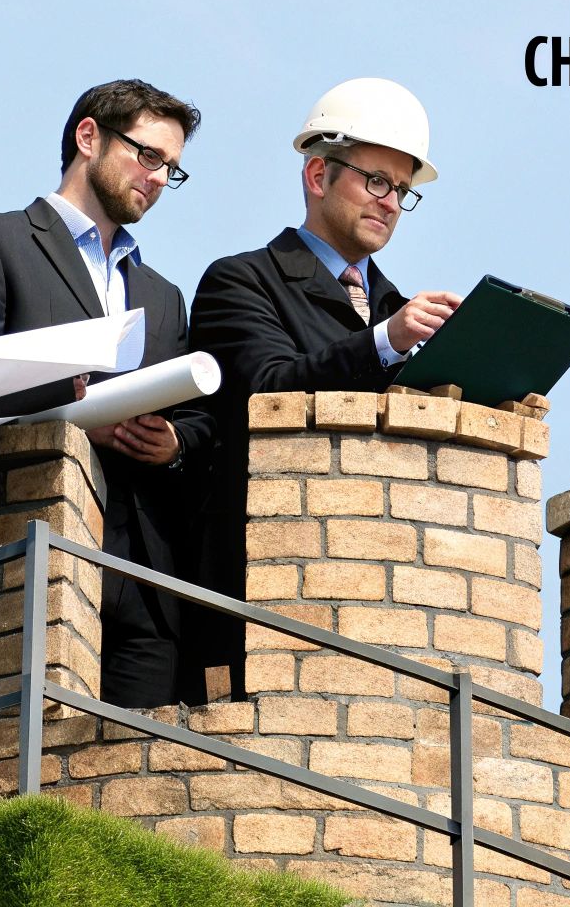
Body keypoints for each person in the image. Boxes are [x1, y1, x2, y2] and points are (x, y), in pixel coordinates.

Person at [0, 80, 212, 708]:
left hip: (146, 575)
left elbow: (198, 420)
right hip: (26, 544)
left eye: (172, 168)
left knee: (139, 762)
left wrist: (173, 443)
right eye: (148, 155)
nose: (159, 178)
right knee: (32, 750)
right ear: (88, 137)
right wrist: (71, 413)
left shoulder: (163, 297)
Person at [187, 78, 461, 694]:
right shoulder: (243, 281)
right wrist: (384, 341)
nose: (392, 203)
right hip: (261, 593)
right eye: (377, 181)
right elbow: (268, 389)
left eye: (403, 191)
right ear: (318, 176)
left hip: (382, 593)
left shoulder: (394, 310)